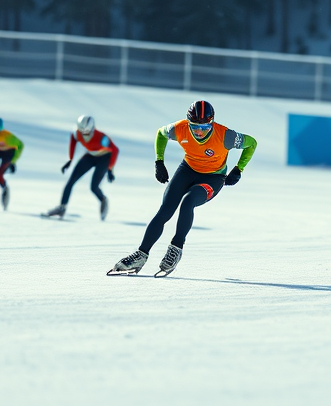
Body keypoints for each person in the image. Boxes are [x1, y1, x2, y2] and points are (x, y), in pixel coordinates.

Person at [108, 100, 257, 277]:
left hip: (213, 177)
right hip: (187, 170)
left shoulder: (226, 136)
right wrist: (159, 162)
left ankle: (176, 248)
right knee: (165, 211)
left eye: (205, 128)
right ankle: (141, 254)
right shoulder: (179, 128)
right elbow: (160, 134)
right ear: (188, 124)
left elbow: (252, 143)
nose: (200, 132)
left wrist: (238, 169)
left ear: (212, 124)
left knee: (188, 201)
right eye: (194, 128)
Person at [43, 115, 120, 220]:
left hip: (103, 159)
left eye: (87, 132)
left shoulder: (102, 138)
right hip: (90, 156)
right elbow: (73, 141)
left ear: (92, 129)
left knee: (93, 187)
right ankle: (62, 208)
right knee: (70, 182)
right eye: (82, 131)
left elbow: (115, 150)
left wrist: (110, 169)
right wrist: (70, 160)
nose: (85, 134)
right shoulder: (76, 133)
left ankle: (103, 200)